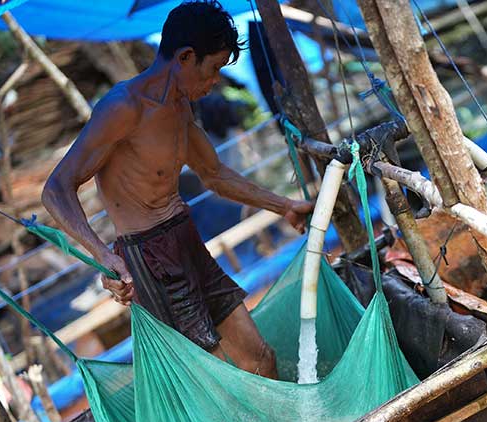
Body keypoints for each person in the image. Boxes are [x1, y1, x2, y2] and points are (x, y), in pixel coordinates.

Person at [42, 0, 313, 379]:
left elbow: (214, 174)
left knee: (260, 360)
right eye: (214, 68)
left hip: (186, 239)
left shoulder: (180, 105)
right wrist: (103, 255)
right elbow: (56, 190)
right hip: (150, 258)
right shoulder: (123, 107)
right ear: (186, 57)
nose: (216, 80)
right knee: (220, 382)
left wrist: (283, 205)